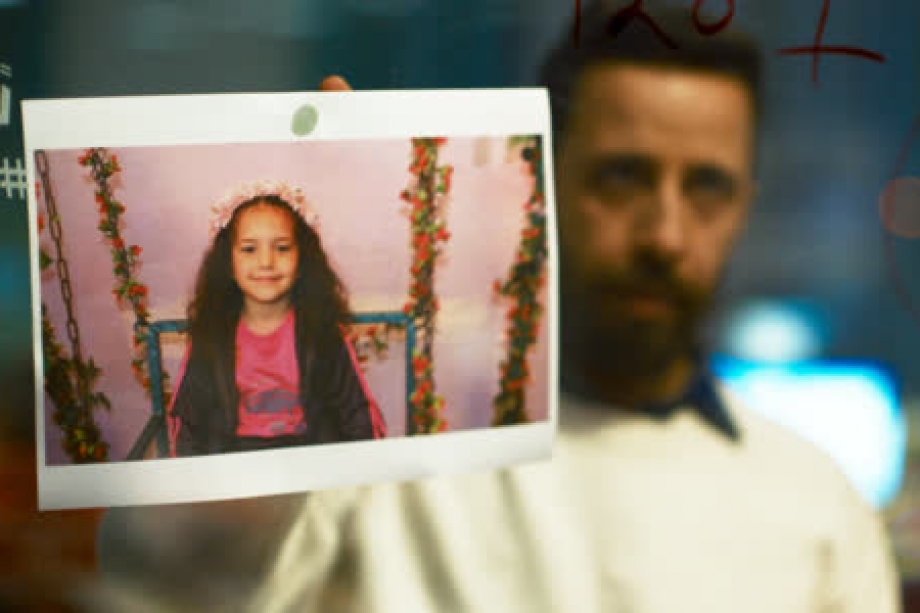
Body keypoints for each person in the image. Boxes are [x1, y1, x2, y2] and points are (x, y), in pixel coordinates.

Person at [95, 5, 900, 612]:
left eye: (706, 186)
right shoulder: (389, 455)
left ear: (744, 205)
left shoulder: (819, 504)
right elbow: (163, 575)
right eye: (622, 175)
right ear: (533, 182)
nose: (665, 233)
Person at [168, 179, 386, 456]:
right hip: (235, 464)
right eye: (249, 249)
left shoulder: (324, 333)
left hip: (311, 460)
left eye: (282, 248)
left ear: (302, 258)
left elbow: (357, 413)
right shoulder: (210, 337)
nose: (266, 262)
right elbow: (187, 422)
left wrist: (361, 469)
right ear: (228, 263)